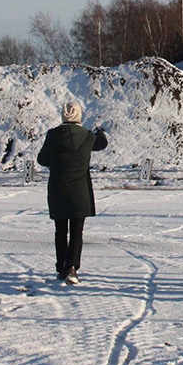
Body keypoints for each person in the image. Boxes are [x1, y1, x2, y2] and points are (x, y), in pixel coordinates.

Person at [37, 101, 108, 286]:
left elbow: (41, 159)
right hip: (80, 191)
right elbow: (102, 144)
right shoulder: (87, 136)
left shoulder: (53, 135)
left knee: (60, 231)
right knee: (77, 232)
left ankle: (61, 267)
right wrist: (99, 132)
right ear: (79, 116)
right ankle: (72, 268)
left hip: (58, 189)